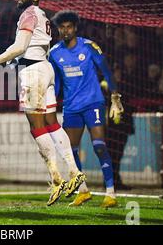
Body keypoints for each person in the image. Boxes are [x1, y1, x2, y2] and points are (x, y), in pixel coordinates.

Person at [0, 0, 85, 206]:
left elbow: (20, 47)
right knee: (51, 123)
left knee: (36, 126)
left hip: (33, 72)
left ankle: (56, 178)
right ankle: (74, 172)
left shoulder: (28, 14)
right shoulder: (43, 15)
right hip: (45, 69)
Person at [49, 10, 124, 208]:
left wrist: (115, 97)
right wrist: (49, 101)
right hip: (71, 108)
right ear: (59, 29)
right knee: (70, 150)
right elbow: (57, 84)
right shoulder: (55, 52)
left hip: (93, 103)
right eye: (62, 27)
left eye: (69, 27)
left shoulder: (89, 46)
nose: (65, 31)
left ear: (75, 28)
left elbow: (106, 71)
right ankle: (83, 191)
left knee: (99, 145)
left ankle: (111, 193)